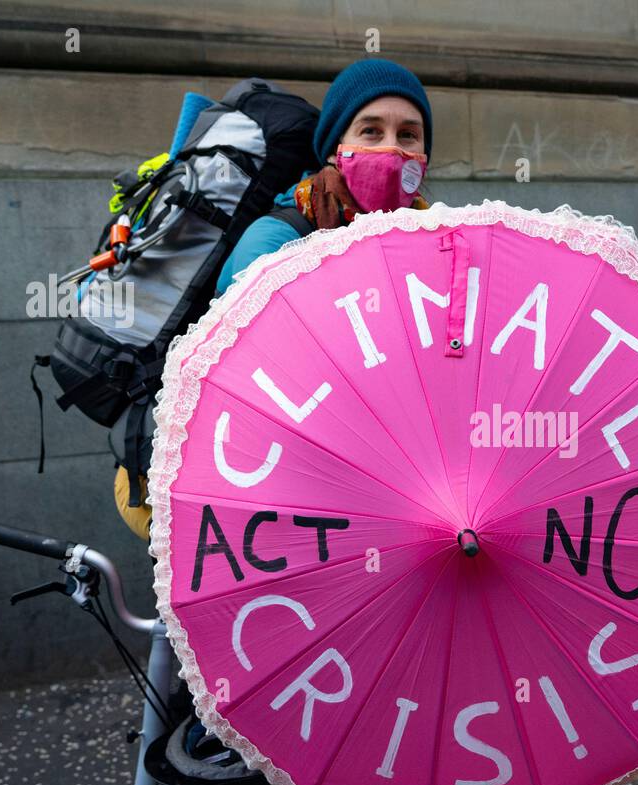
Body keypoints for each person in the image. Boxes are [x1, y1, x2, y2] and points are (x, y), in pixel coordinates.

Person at [113, 58, 435, 539]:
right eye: (370, 131)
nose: (391, 150)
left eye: (408, 135)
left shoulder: (438, 239)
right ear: (336, 148)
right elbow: (252, 383)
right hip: (229, 486)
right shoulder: (276, 240)